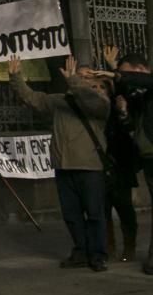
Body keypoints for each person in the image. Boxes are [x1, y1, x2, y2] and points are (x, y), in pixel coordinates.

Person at [10, 55, 111, 271]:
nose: (79, 79)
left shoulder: (99, 102)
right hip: (64, 165)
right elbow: (32, 98)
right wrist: (15, 76)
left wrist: (74, 81)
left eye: (84, 77)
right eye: (77, 76)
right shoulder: (60, 101)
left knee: (94, 213)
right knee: (72, 215)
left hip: (89, 166)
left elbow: (92, 101)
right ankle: (81, 251)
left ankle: (98, 255)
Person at [94, 55, 153, 275]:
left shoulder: (148, 84)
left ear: (140, 70)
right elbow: (132, 127)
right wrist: (124, 111)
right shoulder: (139, 95)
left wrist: (114, 72)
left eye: (129, 74)